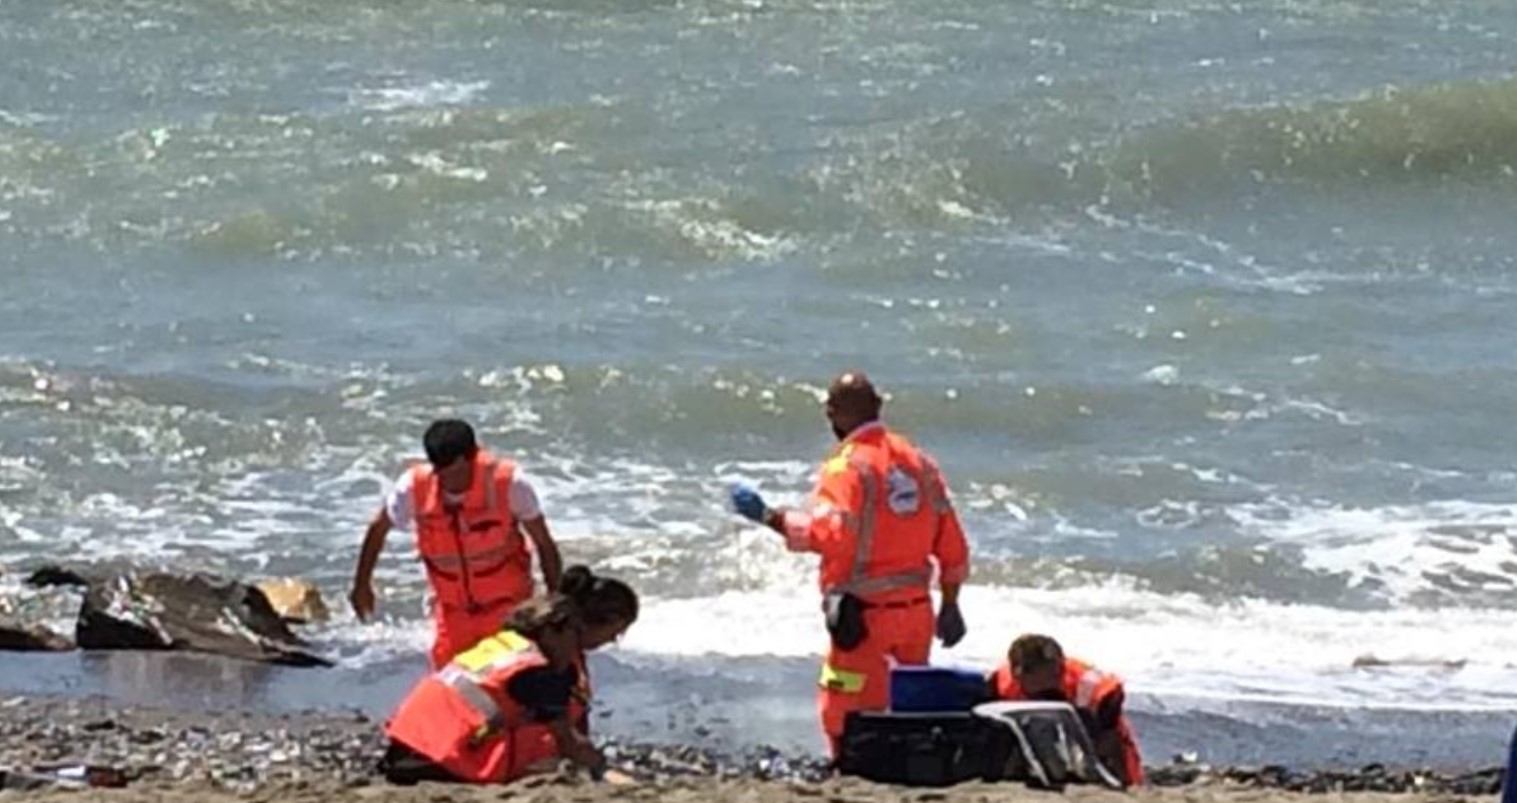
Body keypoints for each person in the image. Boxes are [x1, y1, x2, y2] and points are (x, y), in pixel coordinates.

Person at [728, 371, 971, 756]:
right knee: (903, 706)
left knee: (844, 708)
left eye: (829, 409)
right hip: (917, 613)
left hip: (863, 617)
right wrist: (952, 604)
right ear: (877, 407)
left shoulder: (847, 467)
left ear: (837, 414)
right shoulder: (919, 463)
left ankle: (847, 767)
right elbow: (953, 544)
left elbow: (830, 535)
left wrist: (770, 517)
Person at [379, 575, 638, 786]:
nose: (610, 642)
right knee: (550, 755)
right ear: (575, 627)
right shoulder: (543, 673)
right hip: (437, 761)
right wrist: (606, 770)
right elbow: (570, 745)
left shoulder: (511, 647)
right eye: (613, 634)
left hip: (405, 746)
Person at [350, 419, 564, 668]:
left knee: (513, 690)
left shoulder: (509, 483)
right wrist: (362, 585)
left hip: (508, 612)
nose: (450, 481)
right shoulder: (414, 487)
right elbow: (378, 529)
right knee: (451, 693)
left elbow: (544, 544)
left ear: (473, 456)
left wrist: (554, 602)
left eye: (457, 471)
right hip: (453, 616)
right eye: (442, 472)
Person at [987, 634, 1144, 787]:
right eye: (1045, 677)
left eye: (1057, 673)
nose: (1054, 681)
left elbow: (1111, 739)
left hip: (1096, 740)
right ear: (1018, 674)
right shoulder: (1000, 684)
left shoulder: (1093, 686)